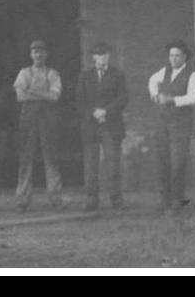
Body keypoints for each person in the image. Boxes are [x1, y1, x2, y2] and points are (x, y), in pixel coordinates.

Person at [147, 40, 195, 212]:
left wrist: (172, 100)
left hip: (181, 123)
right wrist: (155, 95)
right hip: (163, 122)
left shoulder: (192, 75)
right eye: (171, 55)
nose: (173, 59)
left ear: (184, 57)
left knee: (177, 163)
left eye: (177, 55)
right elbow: (152, 81)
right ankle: (165, 202)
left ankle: (179, 202)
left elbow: (194, 98)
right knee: (162, 160)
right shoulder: (165, 71)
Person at [76, 41, 129, 211]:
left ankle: (116, 200)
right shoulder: (85, 76)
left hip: (111, 125)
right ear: (93, 57)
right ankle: (91, 200)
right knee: (91, 165)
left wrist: (105, 111)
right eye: (99, 55)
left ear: (109, 56)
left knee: (113, 163)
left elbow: (123, 98)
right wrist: (93, 112)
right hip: (91, 126)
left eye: (105, 54)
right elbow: (79, 100)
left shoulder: (118, 75)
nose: (102, 58)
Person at [13, 40, 64, 211]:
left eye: (41, 52)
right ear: (31, 54)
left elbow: (55, 96)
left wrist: (31, 91)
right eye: (35, 52)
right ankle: (22, 200)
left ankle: (56, 199)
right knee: (26, 158)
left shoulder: (52, 73)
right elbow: (20, 96)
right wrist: (44, 94)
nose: (38, 55)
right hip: (28, 118)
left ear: (46, 54)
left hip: (48, 118)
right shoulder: (24, 72)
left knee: (51, 158)